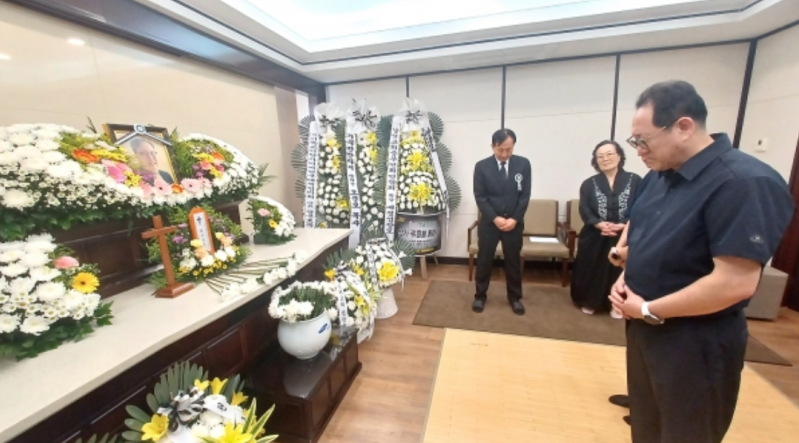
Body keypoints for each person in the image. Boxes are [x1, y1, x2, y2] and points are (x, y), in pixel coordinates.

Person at [609, 80, 794, 443]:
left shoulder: (743, 182)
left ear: (683, 126)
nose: (638, 150)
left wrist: (647, 308)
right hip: (646, 329)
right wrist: (627, 275)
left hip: (696, 341)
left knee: (687, 433)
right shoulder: (658, 177)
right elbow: (644, 237)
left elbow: (734, 282)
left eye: (643, 140)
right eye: (635, 141)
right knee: (647, 428)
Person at [570, 140, 641, 316]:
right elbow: (584, 208)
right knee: (592, 267)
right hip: (595, 234)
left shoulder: (635, 180)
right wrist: (598, 223)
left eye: (610, 154)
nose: (605, 159)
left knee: (618, 269)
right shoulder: (588, 183)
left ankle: (616, 305)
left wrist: (623, 223)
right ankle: (590, 301)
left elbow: (641, 206)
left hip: (625, 234)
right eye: (600, 156)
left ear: (619, 156)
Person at [473, 128, 532, 315]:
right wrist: (495, 218)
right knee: (484, 261)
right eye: (501, 150)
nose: (505, 154)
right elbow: (480, 197)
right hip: (490, 224)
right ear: (493, 147)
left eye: (509, 149)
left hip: (514, 224)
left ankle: (515, 298)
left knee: (513, 262)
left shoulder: (523, 165)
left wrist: (514, 219)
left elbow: (525, 196)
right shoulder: (482, 167)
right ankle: (480, 296)